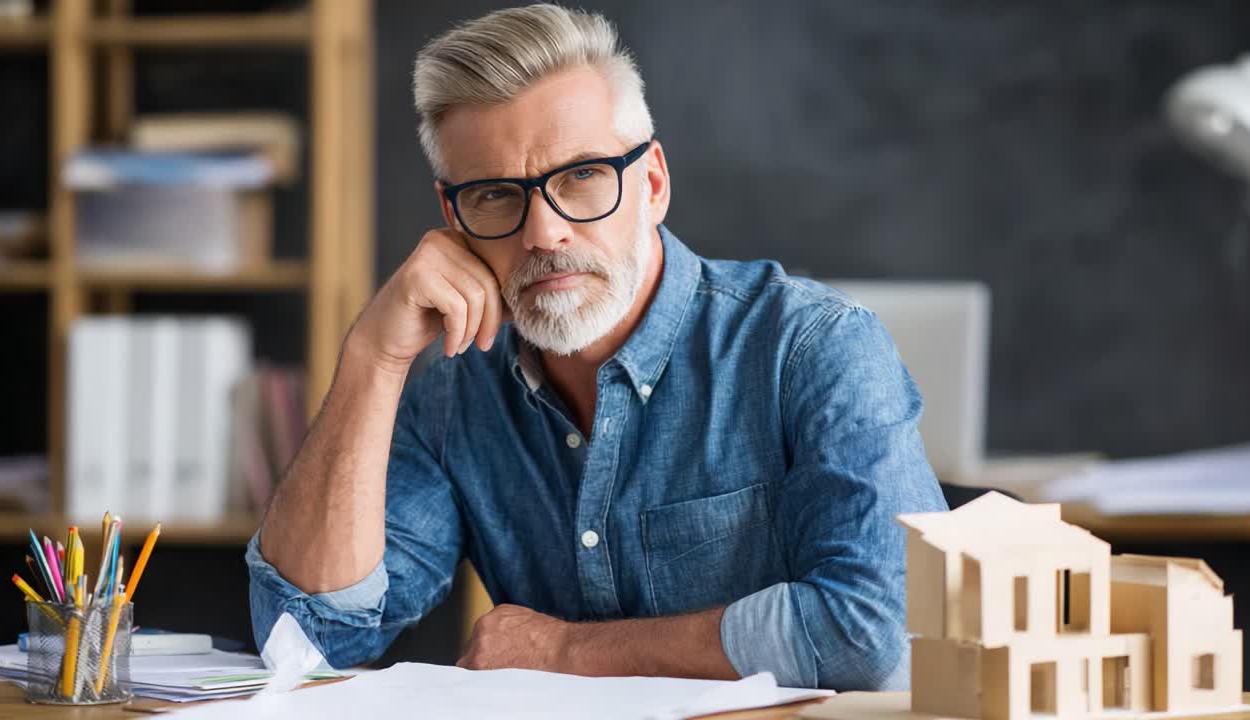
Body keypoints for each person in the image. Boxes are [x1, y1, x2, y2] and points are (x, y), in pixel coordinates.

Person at [247, 3, 945, 690]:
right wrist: (375, 358)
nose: (543, 232)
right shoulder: (453, 396)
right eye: (495, 194)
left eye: (582, 176)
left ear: (653, 183)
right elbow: (305, 639)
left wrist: (563, 652)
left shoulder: (811, 348)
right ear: (453, 219)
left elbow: (882, 630)